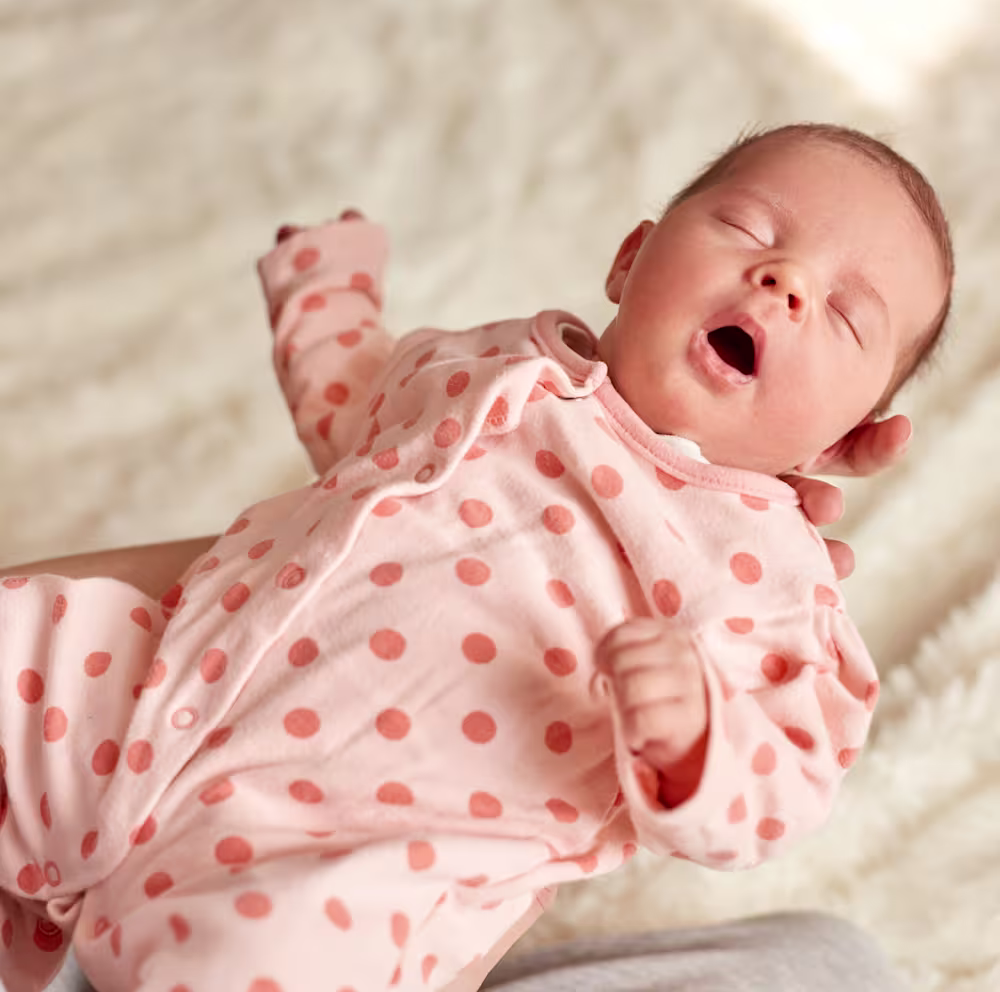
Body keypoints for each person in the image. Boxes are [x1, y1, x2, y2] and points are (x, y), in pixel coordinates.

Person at [0, 122, 950, 992]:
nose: (784, 281)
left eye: (844, 316)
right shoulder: (496, 367)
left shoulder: (776, 585)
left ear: (839, 442)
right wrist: (324, 291)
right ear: (630, 259)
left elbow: (789, 778)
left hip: (333, 861)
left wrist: (702, 739)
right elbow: (358, 401)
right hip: (151, 685)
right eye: (747, 227)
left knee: (260, 964)